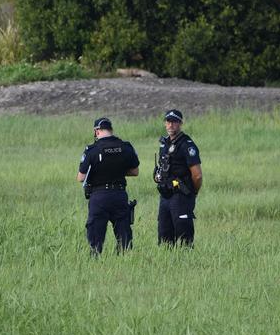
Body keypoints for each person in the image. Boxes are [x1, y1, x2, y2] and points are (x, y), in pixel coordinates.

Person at [77, 117, 140, 255]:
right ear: (111, 130)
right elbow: (135, 171)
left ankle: (96, 262)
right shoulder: (126, 147)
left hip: (99, 197)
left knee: (96, 239)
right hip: (119, 195)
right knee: (124, 236)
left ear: (97, 131)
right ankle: (124, 261)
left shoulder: (92, 150)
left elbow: (81, 177)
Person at [153, 109, 202, 246]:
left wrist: (193, 192)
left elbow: (197, 175)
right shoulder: (164, 143)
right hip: (165, 195)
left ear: (180, 123)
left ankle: (187, 263)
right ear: (165, 123)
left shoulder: (187, 145)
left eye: (174, 122)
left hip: (180, 195)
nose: (171, 125)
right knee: (164, 237)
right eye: (168, 121)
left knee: (184, 237)